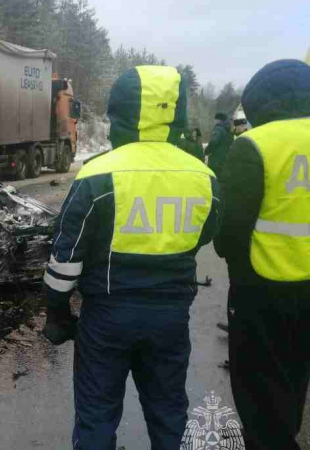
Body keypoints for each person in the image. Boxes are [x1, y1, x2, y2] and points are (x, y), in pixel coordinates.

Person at [41, 66, 221, 449]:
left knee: (96, 416)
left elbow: (65, 258)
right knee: (169, 411)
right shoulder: (204, 177)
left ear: (117, 113)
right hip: (171, 317)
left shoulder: (96, 174)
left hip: (107, 318)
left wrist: (56, 312)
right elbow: (206, 234)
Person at [214, 59, 310, 450]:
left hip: (263, 290)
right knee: (296, 374)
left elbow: (230, 229)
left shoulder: (254, 145)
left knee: (259, 386)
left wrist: (236, 265)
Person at [206, 112, 234, 179]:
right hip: (225, 160)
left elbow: (213, 141)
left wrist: (207, 150)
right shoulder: (228, 130)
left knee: (213, 178)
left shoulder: (218, 128)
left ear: (218, 120)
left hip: (216, 160)